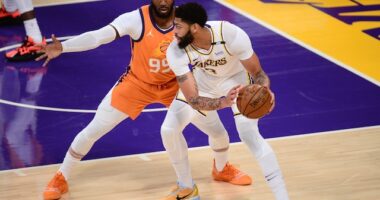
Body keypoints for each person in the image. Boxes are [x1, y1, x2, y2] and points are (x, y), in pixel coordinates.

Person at [36, 1, 250, 200]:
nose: (164, 2)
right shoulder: (135, 19)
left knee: (219, 132)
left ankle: (221, 169)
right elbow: (98, 37)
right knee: (94, 130)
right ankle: (62, 176)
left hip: (176, 86)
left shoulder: (184, 22)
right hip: (137, 84)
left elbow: (209, 44)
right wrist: (64, 47)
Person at [162, 2, 290, 200]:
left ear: (194, 27)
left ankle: (282, 196)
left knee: (248, 134)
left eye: (178, 26)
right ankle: (187, 188)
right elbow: (194, 100)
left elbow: (258, 73)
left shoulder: (230, 34)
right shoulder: (175, 50)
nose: (173, 31)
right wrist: (223, 102)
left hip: (237, 83)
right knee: (169, 130)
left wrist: (264, 90)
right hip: (202, 83)